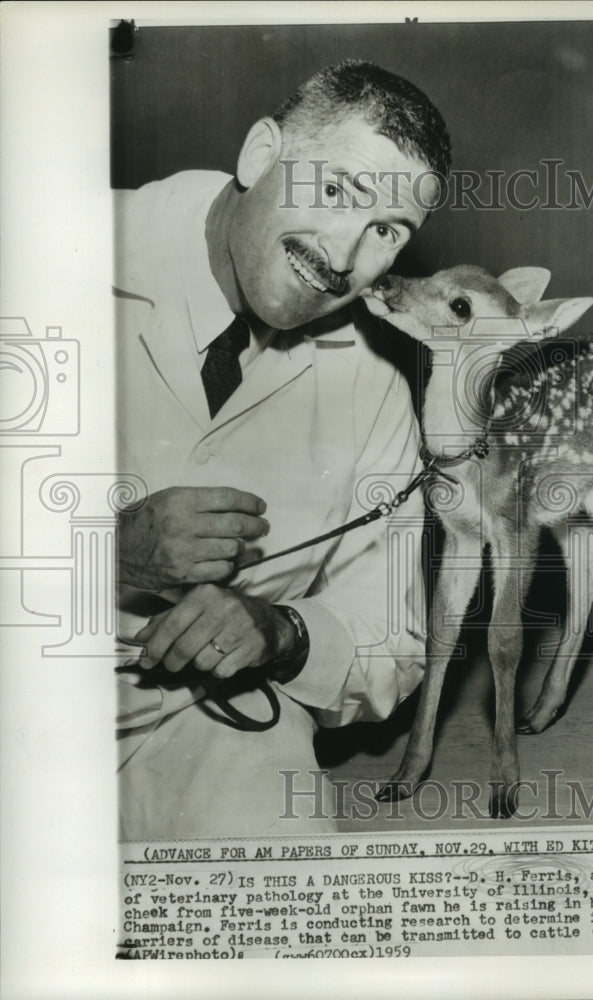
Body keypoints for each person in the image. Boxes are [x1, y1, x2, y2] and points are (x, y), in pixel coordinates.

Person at [114, 61, 451, 840]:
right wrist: (102, 555)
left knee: (283, 903)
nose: (344, 256)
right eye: (336, 193)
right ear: (261, 154)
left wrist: (281, 632)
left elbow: (391, 644)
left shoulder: (374, 381)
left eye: (388, 232)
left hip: (202, 719)